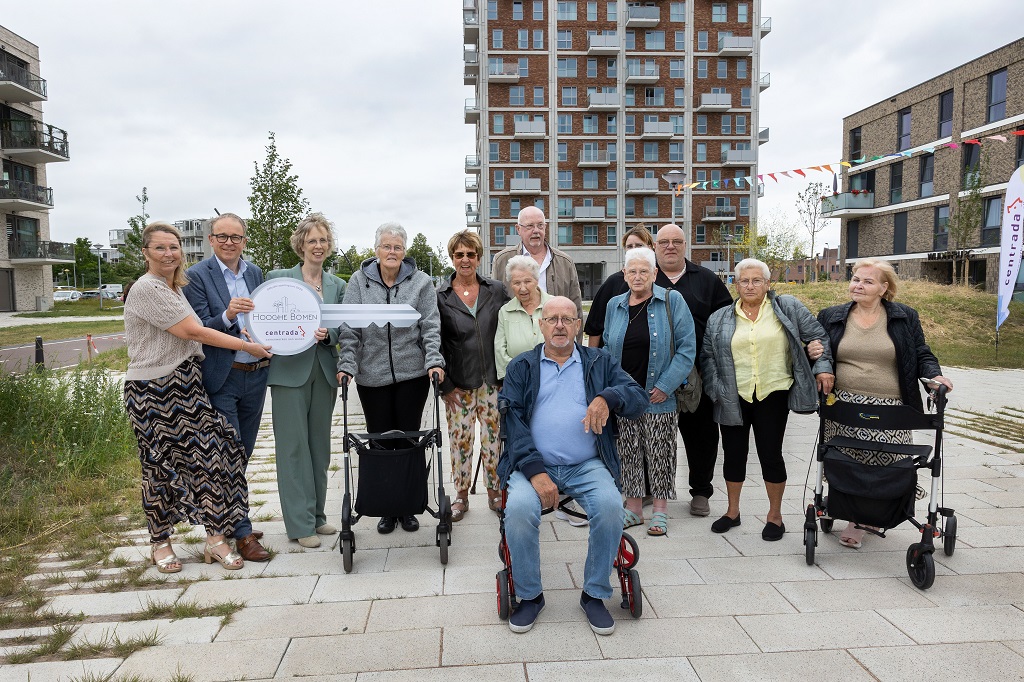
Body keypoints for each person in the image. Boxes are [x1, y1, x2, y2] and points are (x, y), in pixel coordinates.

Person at [123, 222, 272, 573]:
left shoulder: (174, 287)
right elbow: (193, 330)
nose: (168, 254)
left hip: (188, 385)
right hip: (154, 389)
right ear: (145, 252)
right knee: (160, 468)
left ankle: (216, 538)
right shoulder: (147, 288)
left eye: (173, 247)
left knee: (215, 458)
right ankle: (161, 543)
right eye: (160, 248)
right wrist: (246, 345)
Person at [499, 296, 648, 635]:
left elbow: (637, 398)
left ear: (578, 326)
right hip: (532, 465)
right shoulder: (521, 367)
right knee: (518, 509)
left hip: (586, 463)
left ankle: (594, 594)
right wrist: (536, 472)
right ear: (541, 325)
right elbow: (513, 425)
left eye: (567, 319)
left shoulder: (599, 362)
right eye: (552, 319)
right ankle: (530, 596)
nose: (560, 326)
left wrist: (608, 396)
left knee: (610, 507)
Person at [817, 258, 953, 549]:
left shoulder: (904, 316)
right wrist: (817, 359)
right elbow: (820, 354)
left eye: (868, 281)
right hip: (844, 405)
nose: (858, 285)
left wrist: (934, 376)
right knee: (849, 461)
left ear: (884, 288)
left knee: (887, 461)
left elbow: (921, 353)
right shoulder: (831, 316)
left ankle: (873, 515)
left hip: (892, 407)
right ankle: (856, 519)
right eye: (855, 279)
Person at [701, 258, 834, 541]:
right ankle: (732, 512)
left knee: (770, 454)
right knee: (733, 454)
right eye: (744, 281)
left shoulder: (787, 308)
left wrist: (822, 367)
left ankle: (775, 516)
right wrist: (716, 389)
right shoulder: (719, 318)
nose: (750, 286)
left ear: (767, 283)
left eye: (756, 280)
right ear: (736, 285)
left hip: (773, 392)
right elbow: (708, 357)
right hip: (733, 395)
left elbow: (818, 338)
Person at [337, 222, 445, 535]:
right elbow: (349, 328)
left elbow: (430, 326)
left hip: (412, 375)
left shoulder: (420, 282)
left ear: (404, 251)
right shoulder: (358, 281)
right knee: (380, 442)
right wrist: (347, 364)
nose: (392, 252)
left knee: (409, 440)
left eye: (397, 247)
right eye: (386, 246)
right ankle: (386, 507)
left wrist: (434, 361)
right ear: (376, 250)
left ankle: (408, 505)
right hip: (372, 377)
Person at [183, 212, 271, 562]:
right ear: (211, 240)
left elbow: (264, 318)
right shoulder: (196, 275)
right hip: (224, 375)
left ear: (244, 240)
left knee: (244, 452)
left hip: (257, 374)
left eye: (236, 237)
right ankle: (243, 534)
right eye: (222, 236)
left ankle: (231, 519)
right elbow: (199, 326)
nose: (229, 242)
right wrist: (229, 315)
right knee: (227, 454)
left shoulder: (255, 273)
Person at [266, 213, 347, 549]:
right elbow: (264, 319)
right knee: (293, 448)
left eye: (323, 240)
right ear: (300, 244)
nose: (318, 245)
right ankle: (299, 524)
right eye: (312, 240)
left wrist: (330, 335)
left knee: (319, 447)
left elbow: (343, 327)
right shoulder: (278, 279)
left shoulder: (337, 285)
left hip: (324, 370)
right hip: (288, 373)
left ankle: (317, 516)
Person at [603, 247, 696, 537]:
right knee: (628, 452)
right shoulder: (614, 305)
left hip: (659, 394)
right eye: (632, 271)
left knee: (660, 453)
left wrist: (666, 385)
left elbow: (687, 348)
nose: (638, 276)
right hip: (625, 395)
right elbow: (606, 345)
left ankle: (660, 512)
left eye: (644, 271)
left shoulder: (671, 300)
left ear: (655, 274)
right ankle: (633, 509)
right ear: (624, 274)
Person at [650, 224, 734, 518]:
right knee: (653, 433)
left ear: (685, 245)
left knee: (702, 436)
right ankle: (650, 487)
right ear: (655, 247)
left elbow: (727, 321)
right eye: (664, 242)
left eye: (676, 241)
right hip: (653, 374)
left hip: (696, 373)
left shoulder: (706, 280)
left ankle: (700, 491)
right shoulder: (646, 277)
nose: (670, 246)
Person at [437, 230, 510, 520]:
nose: (465, 259)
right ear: (452, 258)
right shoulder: (441, 297)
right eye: (459, 255)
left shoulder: (497, 290)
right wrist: (445, 386)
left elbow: (509, 327)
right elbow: (434, 341)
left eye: (470, 254)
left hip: (493, 382)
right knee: (460, 440)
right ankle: (461, 495)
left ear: (479, 258)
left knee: (493, 440)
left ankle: (494, 493)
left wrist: (507, 377)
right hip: (458, 384)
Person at [491, 206, 583, 319]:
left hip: (556, 328)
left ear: (545, 227)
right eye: (530, 226)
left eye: (540, 225)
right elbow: (495, 304)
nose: (536, 231)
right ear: (518, 229)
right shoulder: (501, 260)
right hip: (516, 328)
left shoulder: (565, 262)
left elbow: (576, 306)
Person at [584, 225, 656, 347]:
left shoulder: (659, 282)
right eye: (629, 246)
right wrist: (594, 357)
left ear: (650, 247)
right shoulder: (613, 282)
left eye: (639, 245)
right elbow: (595, 327)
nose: (634, 250)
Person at [494, 255, 552, 381]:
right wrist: (521, 374)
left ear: (537, 280)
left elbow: (568, 344)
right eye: (517, 283)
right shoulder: (505, 312)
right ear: (510, 284)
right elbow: (500, 352)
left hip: (552, 378)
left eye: (527, 281)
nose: (523, 288)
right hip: (518, 380)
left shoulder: (555, 306)